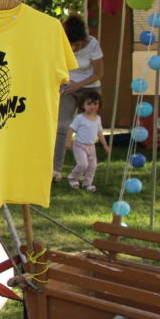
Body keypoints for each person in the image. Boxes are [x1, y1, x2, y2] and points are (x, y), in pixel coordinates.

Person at [52, 14, 103, 182]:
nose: (74, 49)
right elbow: (54, 65)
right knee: (61, 127)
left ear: (83, 39)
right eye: (71, 45)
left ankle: (84, 170)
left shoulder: (93, 45)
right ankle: (55, 169)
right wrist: (63, 81)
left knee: (86, 129)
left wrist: (78, 84)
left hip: (88, 89)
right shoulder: (59, 43)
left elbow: (98, 73)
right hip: (67, 88)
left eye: (77, 45)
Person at [66, 91, 110, 191]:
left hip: (91, 147)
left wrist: (105, 145)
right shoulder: (80, 118)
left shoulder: (98, 119)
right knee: (83, 164)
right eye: (89, 104)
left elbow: (100, 133)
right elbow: (71, 129)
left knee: (92, 166)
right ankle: (73, 178)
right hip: (79, 146)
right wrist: (68, 141)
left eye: (95, 104)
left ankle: (87, 183)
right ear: (83, 105)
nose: (92, 106)